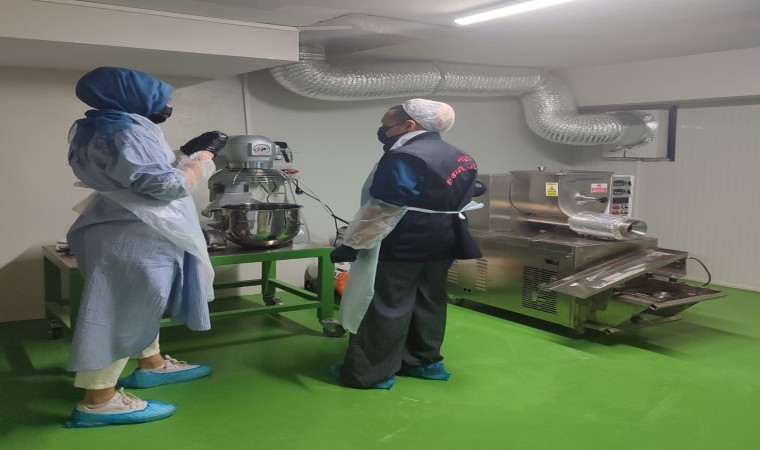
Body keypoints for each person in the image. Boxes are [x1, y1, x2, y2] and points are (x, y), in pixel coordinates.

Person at [64, 66, 228, 427]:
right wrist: (202, 158)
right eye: (161, 98)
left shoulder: (96, 126)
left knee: (140, 301)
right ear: (133, 96)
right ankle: (98, 399)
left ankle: (151, 364)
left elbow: (133, 171)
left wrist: (183, 152)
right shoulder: (128, 130)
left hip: (112, 224)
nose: (167, 106)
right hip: (136, 231)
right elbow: (167, 186)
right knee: (118, 311)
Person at [329, 98, 482, 389]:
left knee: (386, 303)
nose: (382, 131)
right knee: (429, 300)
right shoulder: (463, 157)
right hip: (446, 239)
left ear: (409, 125)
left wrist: (353, 243)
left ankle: (369, 373)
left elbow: (384, 207)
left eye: (386, 125)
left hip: (404, 238)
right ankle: (424, 362)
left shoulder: (405, 156)